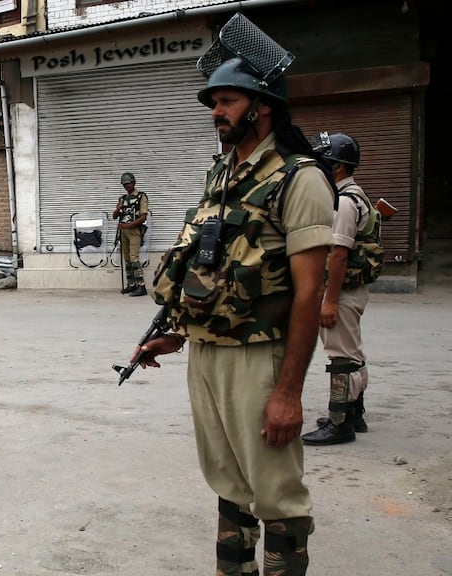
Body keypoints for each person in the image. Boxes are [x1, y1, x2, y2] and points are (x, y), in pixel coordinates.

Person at [132, 54, 336, 575]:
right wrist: (178, 331)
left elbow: (309, 295)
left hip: (259, 356)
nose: (215, 111)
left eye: (227, 101)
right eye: (213, 102)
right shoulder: (223, 174)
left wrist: (288, 393)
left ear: (262, 107)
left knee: (275, 491)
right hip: (208, 352)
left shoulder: (299, 178)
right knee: (229, 481)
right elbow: (209, 262)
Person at [302, 132, 380, 446]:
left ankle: (340, 424)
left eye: (324, 161)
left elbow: (338, 254)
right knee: (351, 351)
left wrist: (329, 301)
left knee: (342, 356)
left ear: (338, 166)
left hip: (341, 291)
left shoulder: (345, 201)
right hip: (349, 289)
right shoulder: (353, 195)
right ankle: (355, 413)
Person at [112, 172, 149, 296]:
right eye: (124, 184)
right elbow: (114, 216)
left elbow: (143, 217)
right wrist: (118, 209)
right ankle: (132, 284)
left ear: (134, 182)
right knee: (127, 259)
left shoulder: (141, 196)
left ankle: (141, 286)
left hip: (134, 231)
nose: (126, 186)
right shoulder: (122, 198)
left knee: (134, 258)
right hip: (123, 232)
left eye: (128, 183)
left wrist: (129, 225)